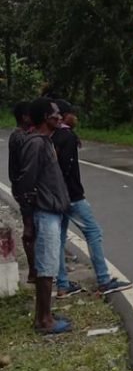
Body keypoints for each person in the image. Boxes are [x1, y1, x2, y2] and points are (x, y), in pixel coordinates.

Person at [52, 99, 132, 297]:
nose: (75, 117)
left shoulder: (51, 136)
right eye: (72, 113)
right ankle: (104, 280)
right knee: (93, 232)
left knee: (59, 239)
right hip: (71, 196)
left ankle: (62, 283)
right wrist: (71, 194)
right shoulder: (67, 137)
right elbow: (66, 168)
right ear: (63, 116)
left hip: (54, 195)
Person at [15, 98, 71, 334]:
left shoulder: (45, 142)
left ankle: (44, 315)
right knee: (46, 267)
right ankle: (44, 321)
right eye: (56, 113)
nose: (60, 117)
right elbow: (25, 184)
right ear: (46, 117)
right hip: (44, 212)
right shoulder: (36, 144)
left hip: (51, 211)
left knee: (48, 266)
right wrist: (28, 221)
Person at [8, 101, 36, 283]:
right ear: (25, 117)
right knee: (30, 228)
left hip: (21, 187)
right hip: (25, 189)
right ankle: (34, 270)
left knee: (32, 227)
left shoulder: (19, 135)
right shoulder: (21, 138)